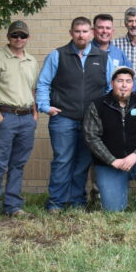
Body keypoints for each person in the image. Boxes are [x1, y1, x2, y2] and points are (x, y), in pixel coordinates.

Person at [36, 16, 111, 212]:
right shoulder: (57, 55)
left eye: (85, 31)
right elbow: (43, 83)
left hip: (90, 122)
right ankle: (56, 202)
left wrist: (104, 113)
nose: (81, 35)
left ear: (92, 33)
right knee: (62, 160)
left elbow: (110, 87)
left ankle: (77, 201)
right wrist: (45, 106)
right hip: (63, 118)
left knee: (83, 162)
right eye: (77, 31)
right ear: (71, 33)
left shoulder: (103, 58)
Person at [82, 66, 136, 212]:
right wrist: (112, 160)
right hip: (109, 165)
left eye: (128, 81)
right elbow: (91, 138)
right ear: (112, 83)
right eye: (120, 81)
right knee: (114, 210)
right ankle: (109, 192)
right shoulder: (97, 106)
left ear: (133, 84)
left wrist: (135, 155)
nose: (124, 85)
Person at [0, 20, 38, 220]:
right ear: (8, 37)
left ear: (28, 38)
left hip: (26, 119)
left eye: (23, 36)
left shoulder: (31, 61)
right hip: (6, 117)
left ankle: (13, 205)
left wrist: (35, 113)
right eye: (15, 35)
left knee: (18, 164)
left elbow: (32, 88)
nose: (19, 39)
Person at [92, 14, 134, 89]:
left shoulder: (119, 54)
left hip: (114, 99)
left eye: (108, 28)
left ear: (112, 31)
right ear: (93, 30)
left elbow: (131, 80)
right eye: (100, 27)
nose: (104, 31)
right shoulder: (85, 52)